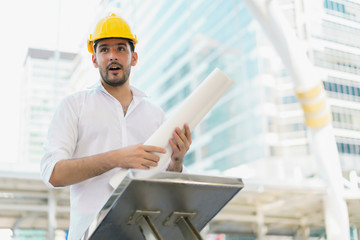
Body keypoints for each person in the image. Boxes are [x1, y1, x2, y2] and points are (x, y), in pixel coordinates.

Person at [40, 13, 192, 240]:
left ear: (134, 57)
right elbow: (53, 174)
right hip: (89, 235)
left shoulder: (155, 115)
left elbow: (166, 189)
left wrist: (177, 162)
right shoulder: (74, 106)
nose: (113, 56)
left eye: (121, 48)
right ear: (94, 59)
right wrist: (116, 158)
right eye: (104, 50)